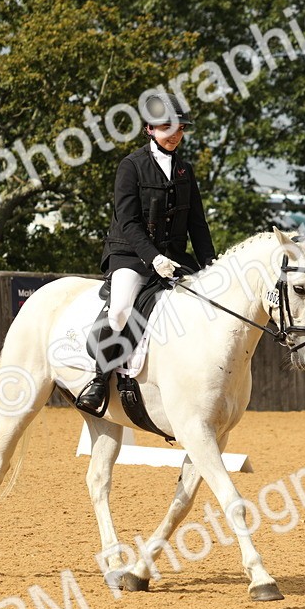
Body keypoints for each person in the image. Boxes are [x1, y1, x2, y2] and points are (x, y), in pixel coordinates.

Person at [74, 93, 217, 416]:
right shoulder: (131, 166)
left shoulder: (185, 171)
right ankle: (101, 378)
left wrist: (212, 265)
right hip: (131, 255)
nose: (175, 133)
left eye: (180, 127)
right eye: (167, 127)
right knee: (122, 309)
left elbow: (198, 223)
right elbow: (128, 220)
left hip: (173, 259)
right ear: (150, 129)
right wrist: (153, 258)